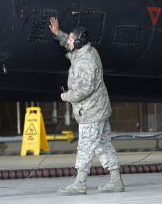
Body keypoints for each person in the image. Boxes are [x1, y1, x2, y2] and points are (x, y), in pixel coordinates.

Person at [48, 16, 124, 195]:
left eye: (71, 39)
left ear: (79, 42)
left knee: (85, 147)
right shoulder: (86, 51)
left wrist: (65, 96)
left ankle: (80, 183)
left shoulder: (86, 61)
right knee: (104, 145)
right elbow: (71, 47)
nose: (69, 42)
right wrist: (59, 34)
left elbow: (84, 89)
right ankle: (116, 180)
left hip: (91, 111)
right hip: (98, 110)